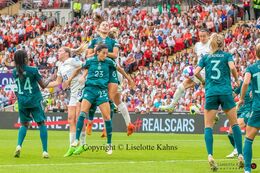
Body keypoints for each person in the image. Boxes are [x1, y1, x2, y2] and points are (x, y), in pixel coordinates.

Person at [64, 44, 135, 155]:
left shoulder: (108, 62)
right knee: (82, 113)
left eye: (107, 53)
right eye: (103, 53)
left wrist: (129, 79)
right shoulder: (90, 61)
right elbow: (78, 69)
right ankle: (76, 140)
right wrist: (69, 80)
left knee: (107, 117)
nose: (105, 55)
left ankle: (109, 144)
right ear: (97, 52)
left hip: (101, 92)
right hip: (90, 90)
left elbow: (119, 69)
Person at [194, 33, 244, 171]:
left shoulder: (206, 57)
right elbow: (233, 68)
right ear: (222, 43)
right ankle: (240, 154)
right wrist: (237, 79)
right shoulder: (227, 55)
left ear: (211, 44)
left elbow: (196, 72)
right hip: (226, 92)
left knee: (208, 127)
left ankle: (210, 155)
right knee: (235, 125)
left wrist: (204, 82)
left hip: (211, 92)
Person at [86, 21, 135, 137]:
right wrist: (98, 53)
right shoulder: (93, 40)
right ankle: (127, 124)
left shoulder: (113, 41)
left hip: (112, 72)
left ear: (109, 29)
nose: (105, 26)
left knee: (111, 100)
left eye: (107, 25)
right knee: (110, 100)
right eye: (103, 24)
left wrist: (101, 53)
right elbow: (87, 55)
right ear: (98, 27)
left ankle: (109, 127)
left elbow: (114, 55)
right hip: (98, 72)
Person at [46, 45, 88, 157]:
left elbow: (85, 66)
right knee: (70, 119)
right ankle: (72, 146)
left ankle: (83, 144)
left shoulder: (72, 60)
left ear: (66, 53)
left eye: (60, 50)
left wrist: (83, 76)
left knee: (79, 117)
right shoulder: (60, 66)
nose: (58, 52)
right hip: (73, 93)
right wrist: (43, 85)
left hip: (81, 90)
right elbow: (57, 83)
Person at [13, 50, 52, 158]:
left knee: (24, 124)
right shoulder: (33, 70)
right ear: (25, 59)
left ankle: (18, 146)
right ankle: (44, 151)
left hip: (22, 101)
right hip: (34, 100)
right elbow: (43, 85)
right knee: (41, 124)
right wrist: (50, 78)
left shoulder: (14, 71)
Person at [160, 29, 210, 111]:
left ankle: (214, 113)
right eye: (200, 36)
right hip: (199, 73)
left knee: (213, 94)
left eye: (204, 36)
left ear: (208, 35)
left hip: (209, 73)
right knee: (181, 87)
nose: (202, 38)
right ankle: (172, 105)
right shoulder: (197, 45)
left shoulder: (211, 44)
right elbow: (198, 58)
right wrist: (193, 66)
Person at [237, 43, 260, 173]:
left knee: (249, 139)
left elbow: (245, 82)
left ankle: (247, 170)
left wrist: (241, 98)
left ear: (255, 53)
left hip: (257, 108)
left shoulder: (251, 68)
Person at [226, 80, 252, 158]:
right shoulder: (243, 84)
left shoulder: (256, 84)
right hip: (242, 108)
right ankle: (237, 150)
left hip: (250, 109)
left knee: (235, 128)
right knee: (230, 133)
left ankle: (239, 151)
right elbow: (234, 94)